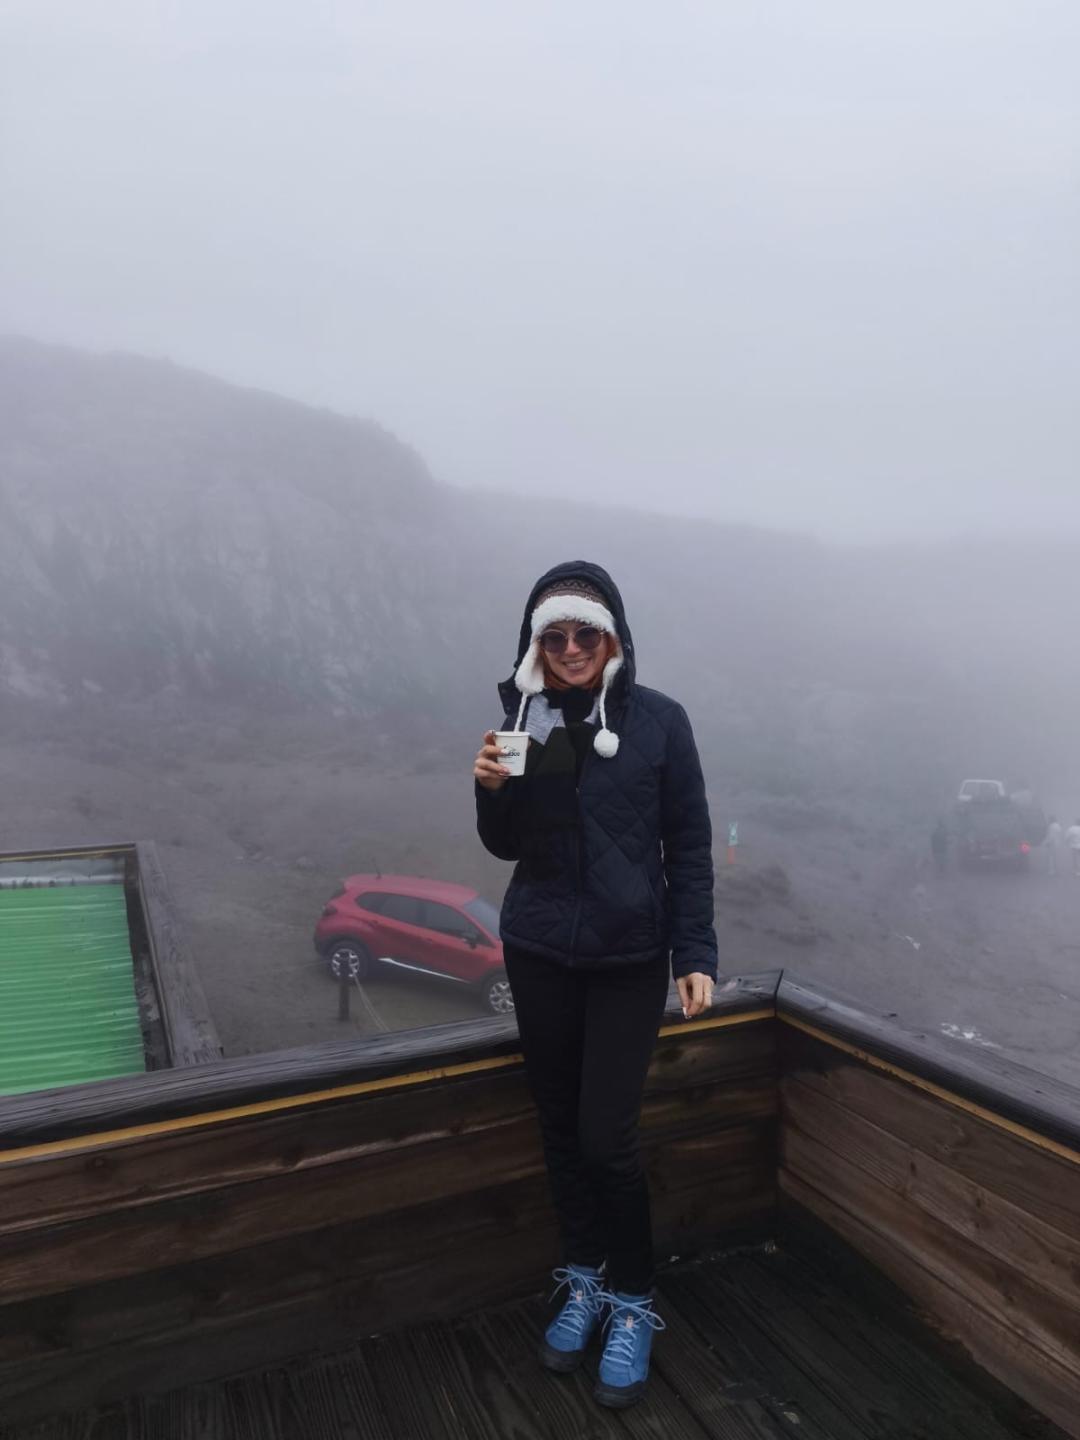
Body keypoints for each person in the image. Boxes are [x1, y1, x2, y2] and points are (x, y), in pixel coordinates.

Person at [474, 561, 718, 1410]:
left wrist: (695, 953)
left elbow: (689, 844)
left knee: (605, 1138)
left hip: (627, 959)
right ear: (535, 645)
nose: (572, 648)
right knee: (558, 1125)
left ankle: (633, 1298)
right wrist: (489, 789)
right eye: (555, 637)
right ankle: (583, 1276)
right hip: (538, 951)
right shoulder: (522, 721)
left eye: (587, 633)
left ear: (614, 639)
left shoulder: (660, 723)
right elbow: (505, 845)